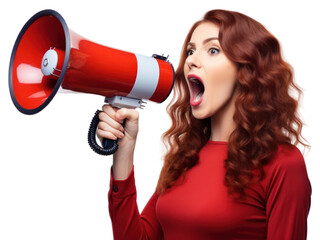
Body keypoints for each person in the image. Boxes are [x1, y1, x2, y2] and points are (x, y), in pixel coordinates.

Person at [97, 9, 312, 240]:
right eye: (190, 51)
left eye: (212, 50)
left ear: (246, 70)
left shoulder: (283, 164)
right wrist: (124, 151)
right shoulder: (184, 158)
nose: (191, 60)